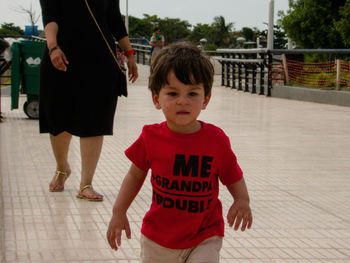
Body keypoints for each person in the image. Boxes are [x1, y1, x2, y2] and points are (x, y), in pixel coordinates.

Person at [106, 42, 252, 262]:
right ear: (157, 99)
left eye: (192, 93)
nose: (182, 101)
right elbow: (134, 176)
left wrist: (242, 200)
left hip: (205, 234)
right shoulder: (150, 137)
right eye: (172, 93)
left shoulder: (216, 140)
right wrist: (119, 211)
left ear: (206, 99)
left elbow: (233, 175)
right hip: (158, 239)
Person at [39, 0, 138, 201]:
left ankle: (86, 184)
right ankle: (62, 168)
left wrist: (129, 55)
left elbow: (115, 20)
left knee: (94, 118)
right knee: (59, 114)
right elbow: (50, 16)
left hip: (99, 59)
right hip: (61, 54)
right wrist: (53, 47)